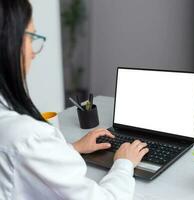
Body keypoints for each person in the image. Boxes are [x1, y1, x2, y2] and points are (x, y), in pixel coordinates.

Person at [0, 0, 149, 199]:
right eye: (31, 37)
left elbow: (29, 162)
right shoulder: (27, 136)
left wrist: (73, 148)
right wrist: (124, 163)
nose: (33, 54)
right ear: (11, 42)